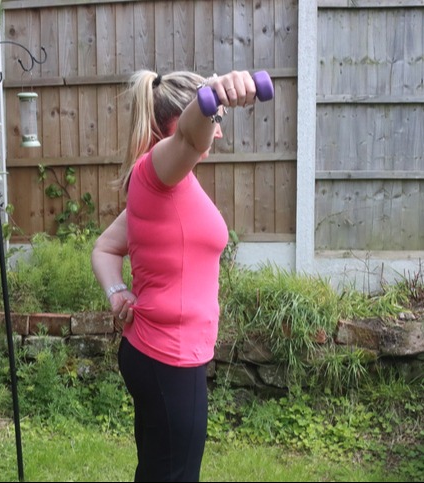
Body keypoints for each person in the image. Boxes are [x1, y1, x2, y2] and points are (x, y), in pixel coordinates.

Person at [91, 69, 258, 482]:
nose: (216, 133)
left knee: (159, 471)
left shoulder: (163, 184)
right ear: (173, 124)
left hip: (160, 355)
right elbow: (190, 137)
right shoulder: (157, 169)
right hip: (167, 357)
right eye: (214, 121)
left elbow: (105, 247)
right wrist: (213, 98)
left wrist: (116, 292)